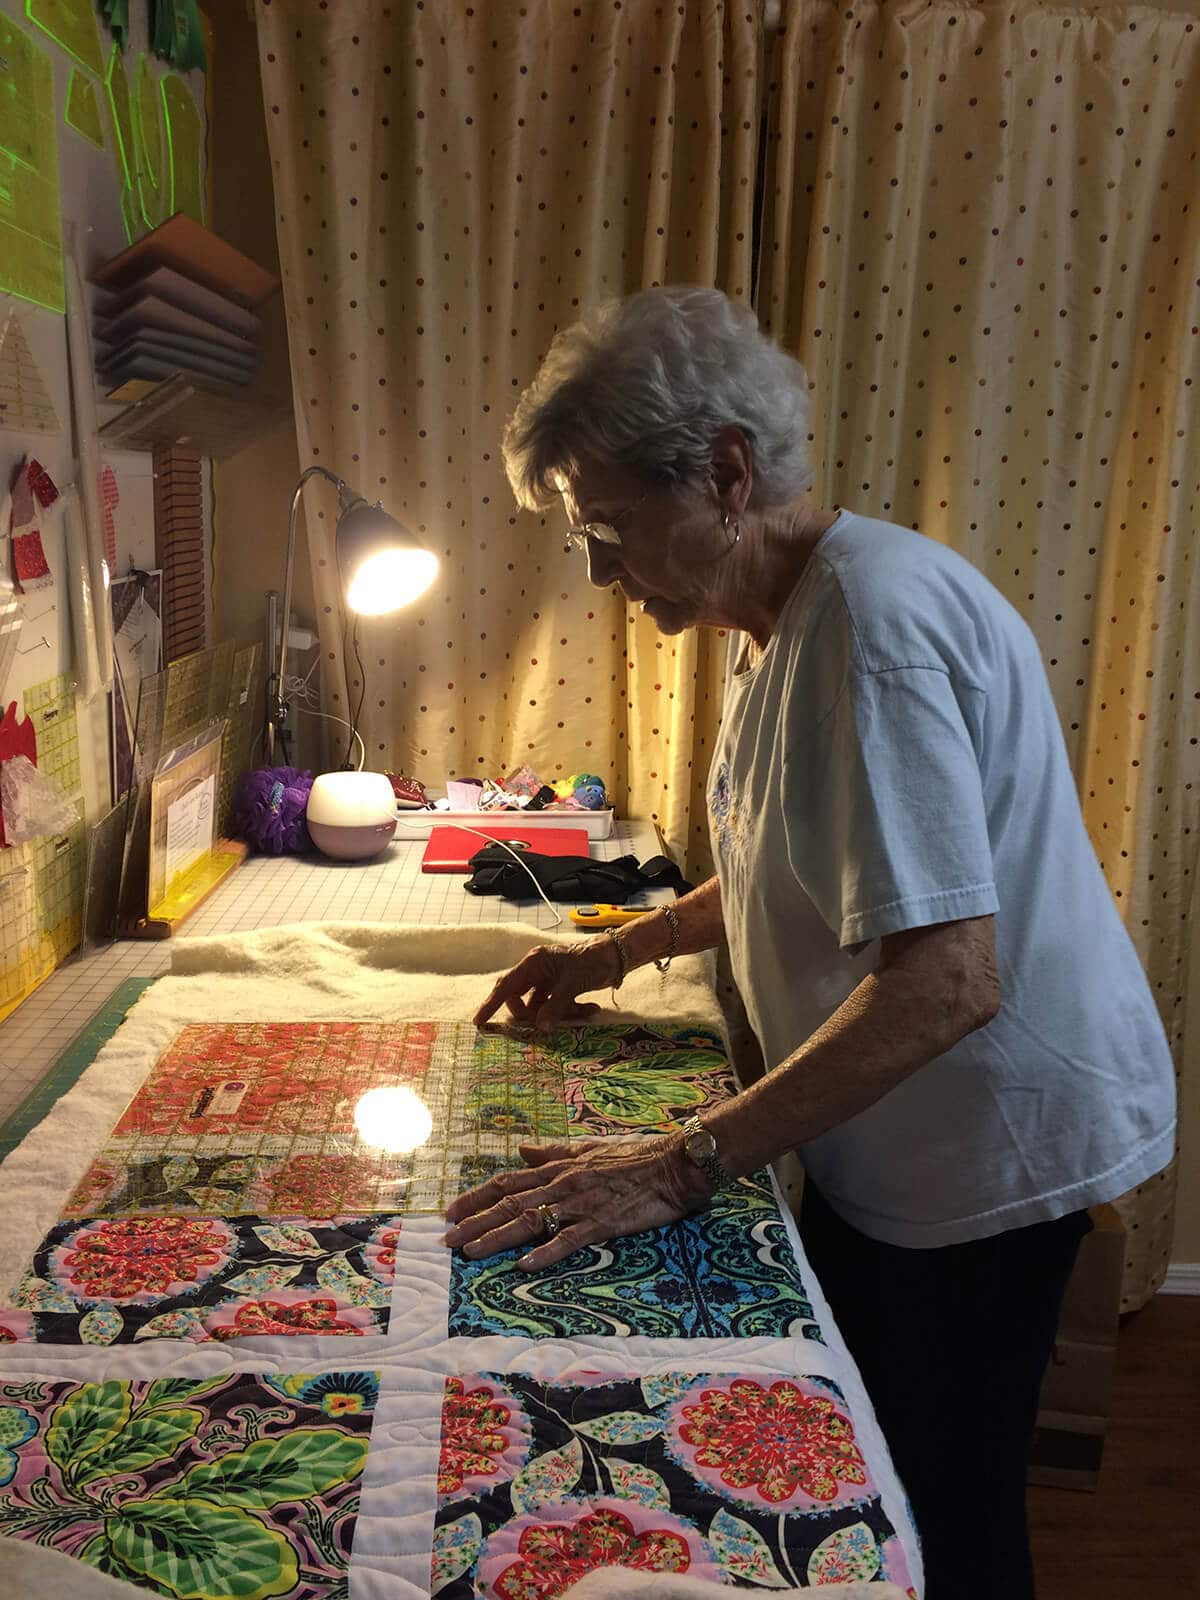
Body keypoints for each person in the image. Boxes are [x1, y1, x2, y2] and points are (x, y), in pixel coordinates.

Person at [442, 287, 1177, 1599]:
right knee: (890, 1458)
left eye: (608, 529)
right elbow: (798, 858)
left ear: (726, 473)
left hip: (984, 1152)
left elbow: (948, 981)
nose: (603, 572)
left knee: (931, 1507)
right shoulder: (788, 617)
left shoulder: (874, 628)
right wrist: (610, 956)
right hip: (910, 1130)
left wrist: (681, 1164)